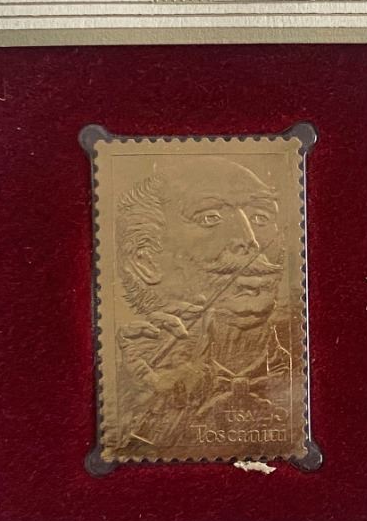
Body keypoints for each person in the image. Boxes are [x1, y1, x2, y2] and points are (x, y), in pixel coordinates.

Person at [109, 157, 296, 453]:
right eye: (210, 218)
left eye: (261, 217)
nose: (250, 241)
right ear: (145, 260)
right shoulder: (131, 388)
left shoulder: (304, 369)